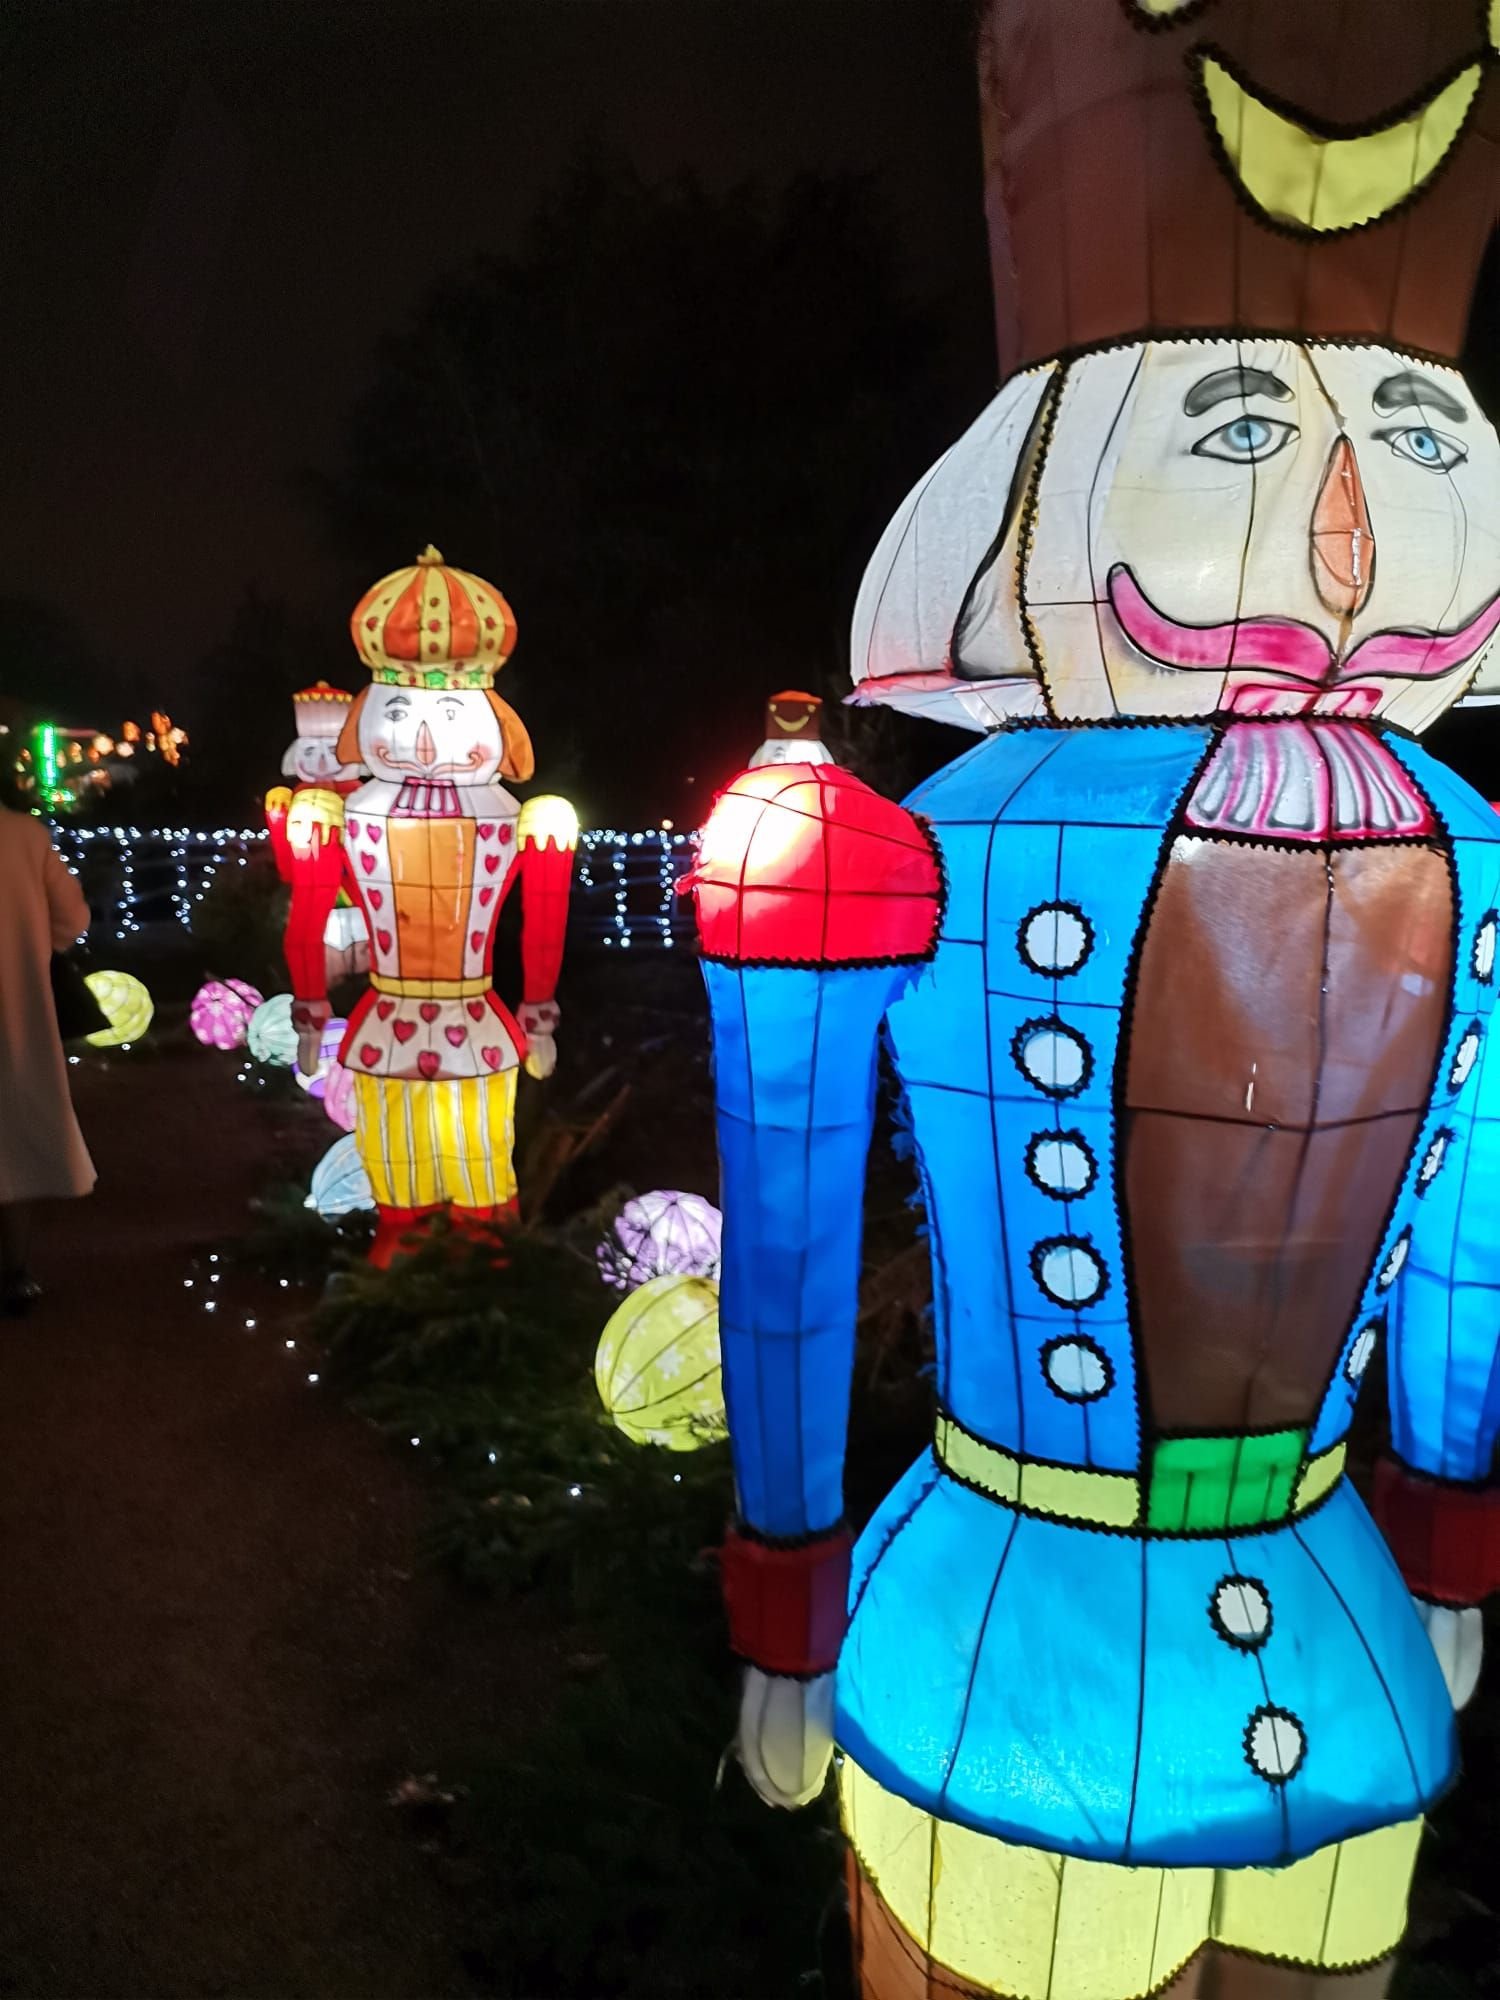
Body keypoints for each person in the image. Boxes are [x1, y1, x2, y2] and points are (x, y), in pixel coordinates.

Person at [0, 766, 95, 1313]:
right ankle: (14, 1270)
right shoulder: (26, 836)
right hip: (16, 1004)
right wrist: (41, 946)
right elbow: (73, 916)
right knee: (14, 1138)